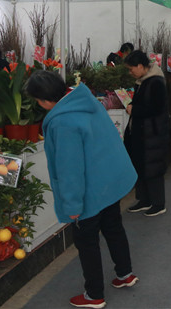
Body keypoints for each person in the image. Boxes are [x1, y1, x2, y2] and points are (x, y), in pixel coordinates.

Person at [24, 70, 138, 309]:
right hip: (109, 182)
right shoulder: (87, 102)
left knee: (87, 242)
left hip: (90, 190)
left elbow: (69, 169)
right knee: (114, 227)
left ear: (43, 100)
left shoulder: (62, 121)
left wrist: (72, 204)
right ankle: (125, 274)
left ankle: (94, 295)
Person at [123, 51, 170, 217]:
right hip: (140, 132)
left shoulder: (156, 82)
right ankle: (144, 199)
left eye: (131, 69)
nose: (130, 72)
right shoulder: (141, 81)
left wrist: (134, 110)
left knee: (153, 168)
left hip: (153, 133)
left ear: (140, 66)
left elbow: (156, 108)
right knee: (140, 166)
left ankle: (158, 203)